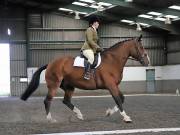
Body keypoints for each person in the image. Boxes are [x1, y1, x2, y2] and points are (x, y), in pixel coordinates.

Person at [81, 16, 103, 80]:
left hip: (93, 50)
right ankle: (86, 73)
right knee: (91, 57)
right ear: (94, 23)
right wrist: (98, 47)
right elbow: (90, 40)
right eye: (98, 23)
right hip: (87, 49)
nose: (98, 24)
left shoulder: (95, 31)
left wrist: (99, 49)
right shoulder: (89, 29)